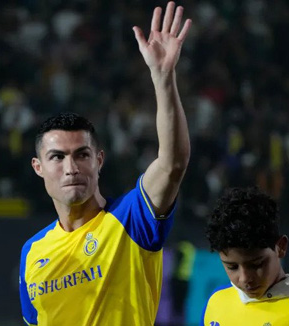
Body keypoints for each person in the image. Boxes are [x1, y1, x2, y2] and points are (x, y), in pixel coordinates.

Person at [19, 2, 191, 325]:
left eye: (81, 154)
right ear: (38, 167)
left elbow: (173, 163)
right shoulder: (32, 253)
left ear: (99, 160)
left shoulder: (131, 219)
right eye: (57, 157)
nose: (71, 167)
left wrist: (163, 78)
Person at [202, 187, 289, 326]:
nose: (245, 278)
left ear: (281, 247)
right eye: (232, 267)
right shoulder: (216, 301)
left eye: (256, 264)